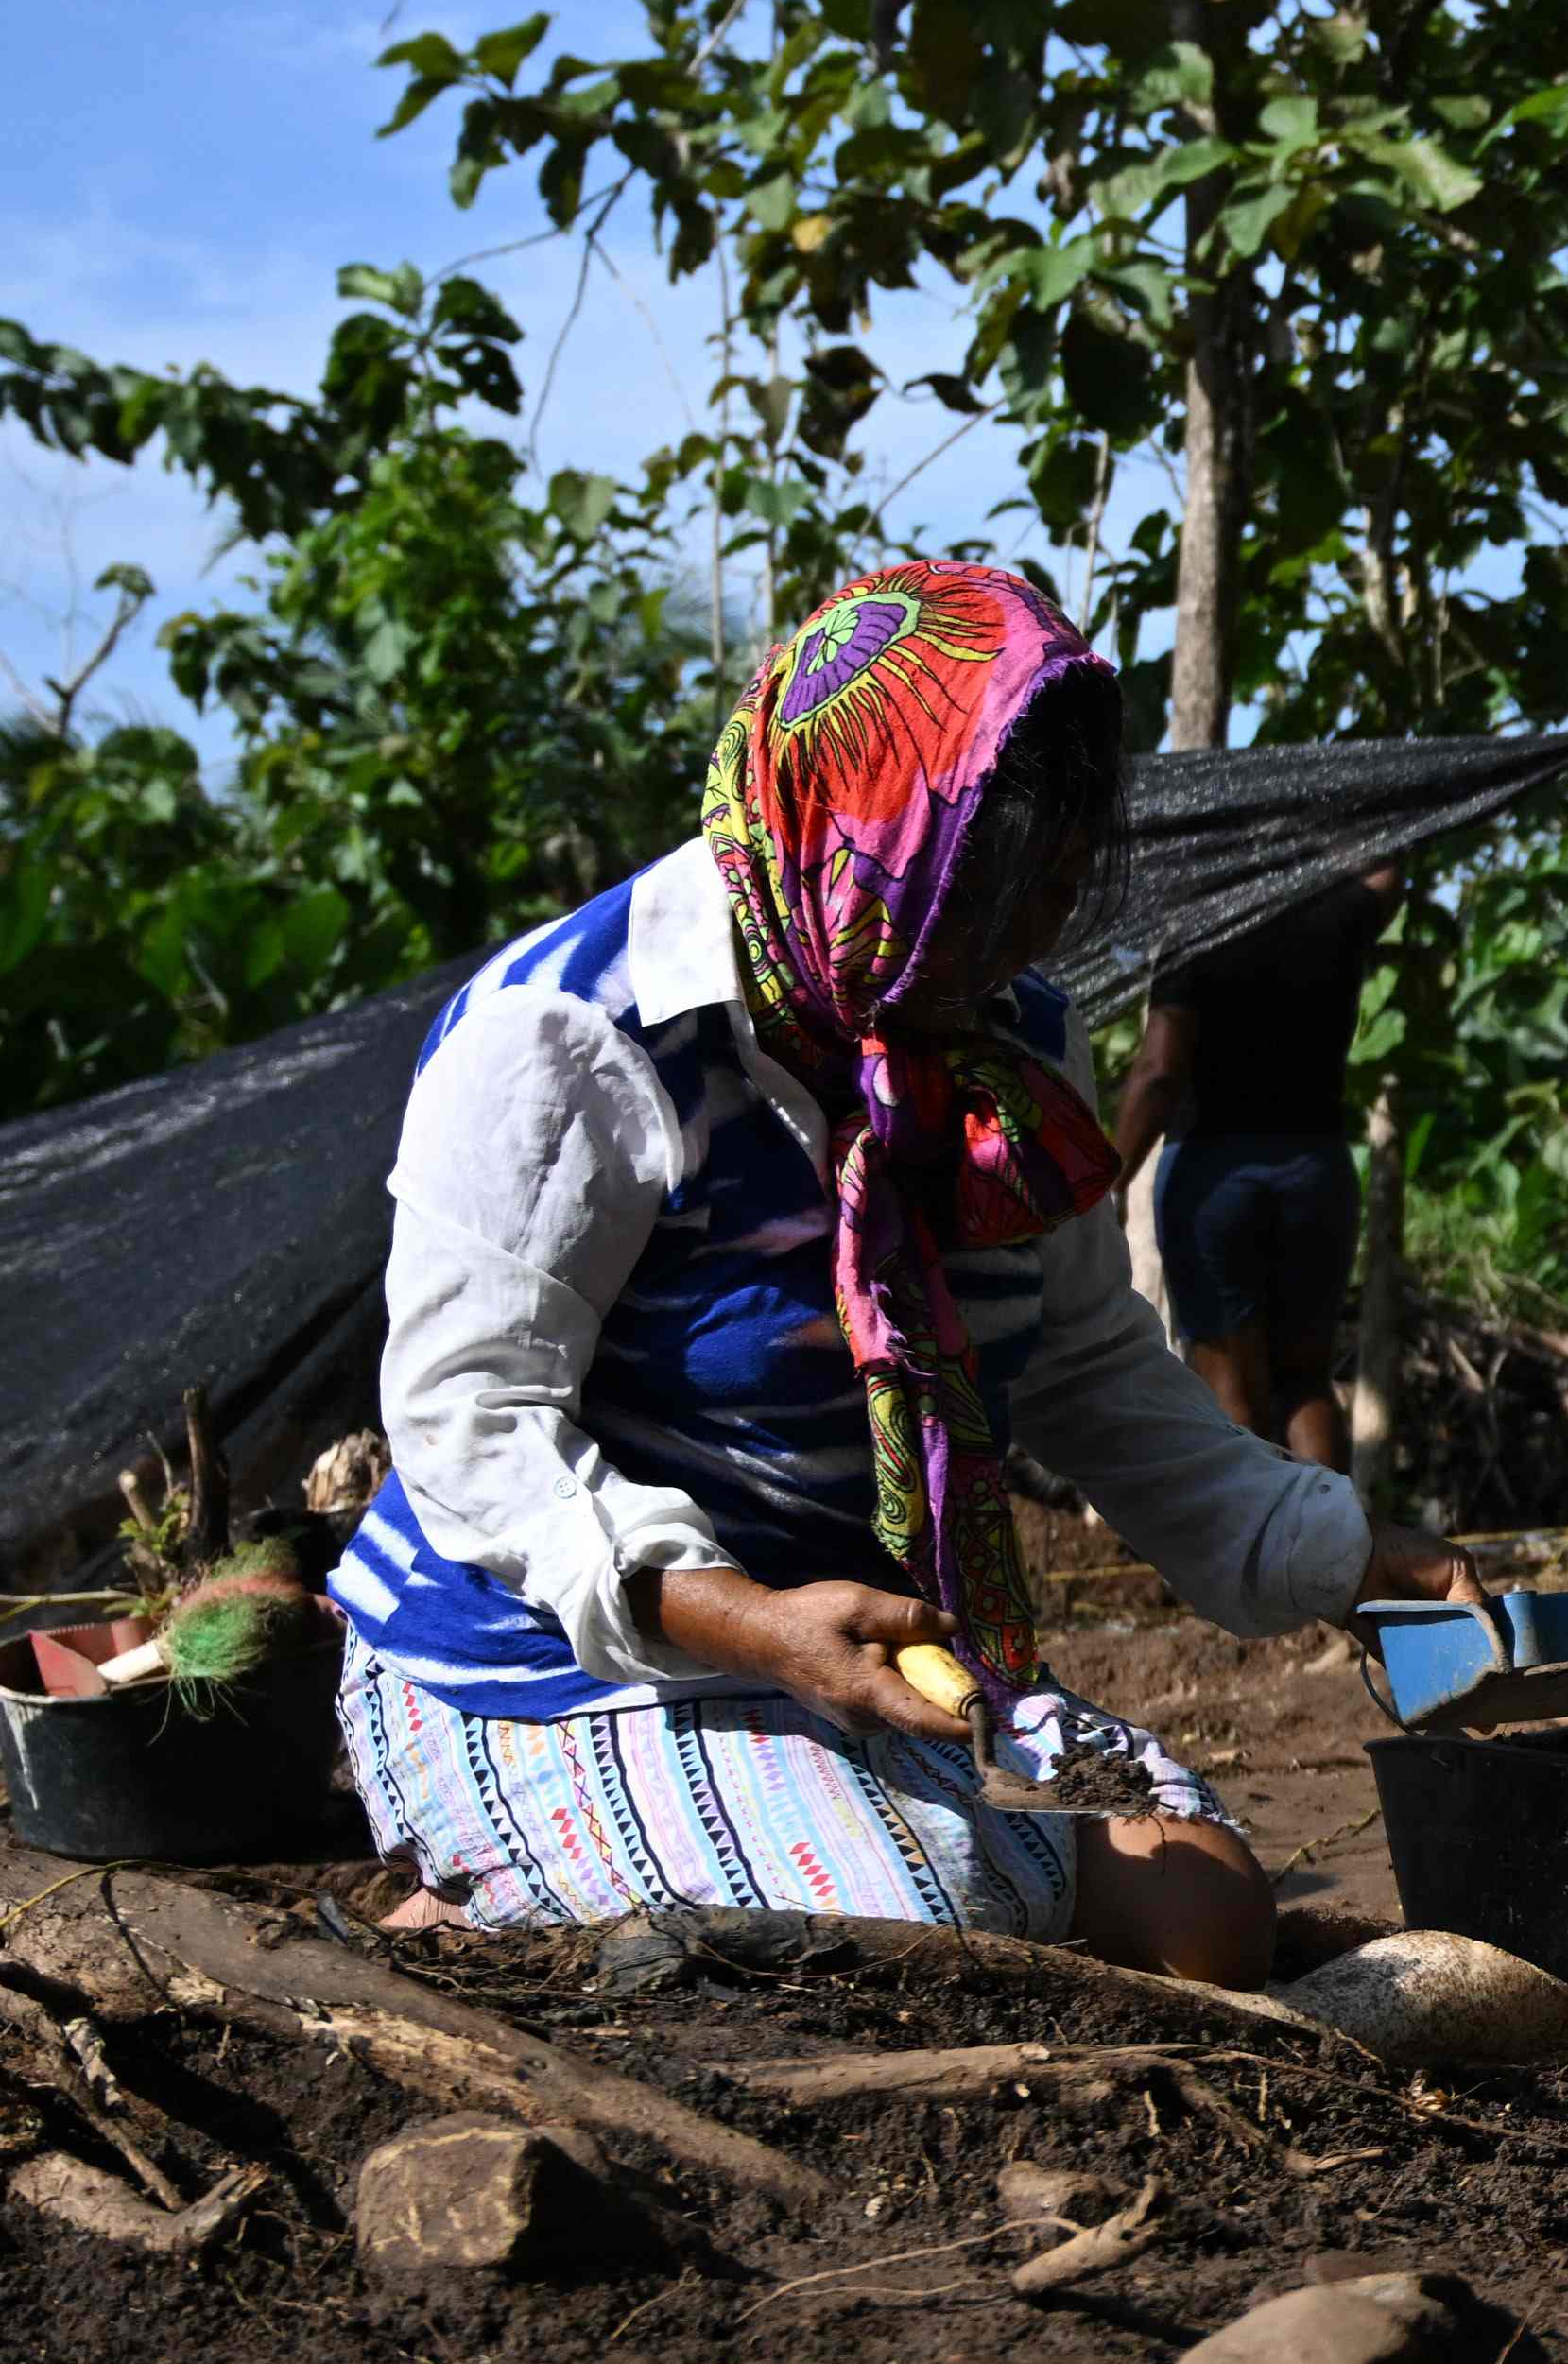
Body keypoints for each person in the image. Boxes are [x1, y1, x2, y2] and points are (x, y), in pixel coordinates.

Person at [320, 564, 1486, 1982]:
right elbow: (471, 1424)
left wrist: (1344, 1554)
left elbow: (1086, 1367)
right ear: (870, 830)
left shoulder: (998, 1041)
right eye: (991, 890)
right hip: (544, 1661)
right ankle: (485, 1896)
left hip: (867, 1639)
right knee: (912, 1935)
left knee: (1210, 1919)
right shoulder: (574, 1039)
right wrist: (745, 1622)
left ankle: (745, 1842)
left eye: (1053, 887)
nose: (1029, 937)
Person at [1110, 860, 1399, 1462]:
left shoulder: (1198, 934)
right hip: (1314, 1173)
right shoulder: (1338, 915)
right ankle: (1337, 1553)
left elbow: (1159, 1072)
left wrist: (1110, 1178)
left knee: (1231, 1396)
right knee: (1306, 1385)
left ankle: (1248, 1557)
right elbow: (1388, 870)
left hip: (1216, 1181)